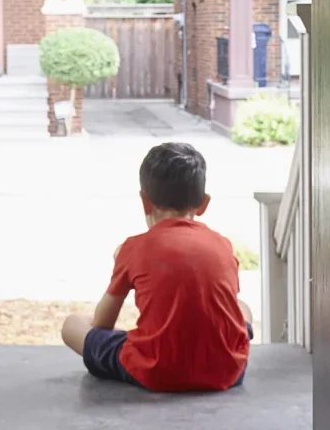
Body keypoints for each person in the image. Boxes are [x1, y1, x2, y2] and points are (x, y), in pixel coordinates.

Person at [60, 141, 253, 392]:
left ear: (145, 201)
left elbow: (102, 323)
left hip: (157, 371)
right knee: (242, 307)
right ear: (204, 204)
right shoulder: (223, 245)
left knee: (73, 325)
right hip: (227, 370)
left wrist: (120, 265)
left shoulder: (133, 248)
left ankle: (143, 345)